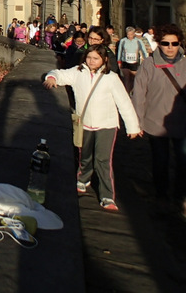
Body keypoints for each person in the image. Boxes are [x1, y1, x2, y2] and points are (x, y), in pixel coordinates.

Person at [44, 45, 142, 211]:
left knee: (103, 160)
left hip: (107, 124)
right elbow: (61, 74)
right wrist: (52, 77)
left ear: (104, 60)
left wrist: (132, 126)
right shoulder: (78, 72)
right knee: (85, 155)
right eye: (89, 57)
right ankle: (83, 178)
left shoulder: (111, 78)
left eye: (95, 58)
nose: (91, 61)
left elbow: (124, 103)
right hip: (85, 123)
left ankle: (107, 196)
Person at [132, 24, 186, 218]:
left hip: (182, 123)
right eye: (165, 43)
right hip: (155, 122)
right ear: (159, 44)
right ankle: (161, 195)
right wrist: (136, 122)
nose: (170, 47)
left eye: (174, 43)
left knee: (183, 162)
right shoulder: (148, 64)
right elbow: (139, 95)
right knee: (160, 162)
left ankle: (179, 197)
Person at [117, 26, 149, 92]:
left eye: (131, 34)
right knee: (126, 78)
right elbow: (120, 51)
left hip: (134, 62)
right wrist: (119, 61)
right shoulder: (123, 41)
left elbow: (144, 51)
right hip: (125, 61)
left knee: (134, 78)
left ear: (134, 34)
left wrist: (147, 60)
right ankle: (127, 92)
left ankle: (133, 92)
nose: (130, 36)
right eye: (128, 34)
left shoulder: (138, 41)